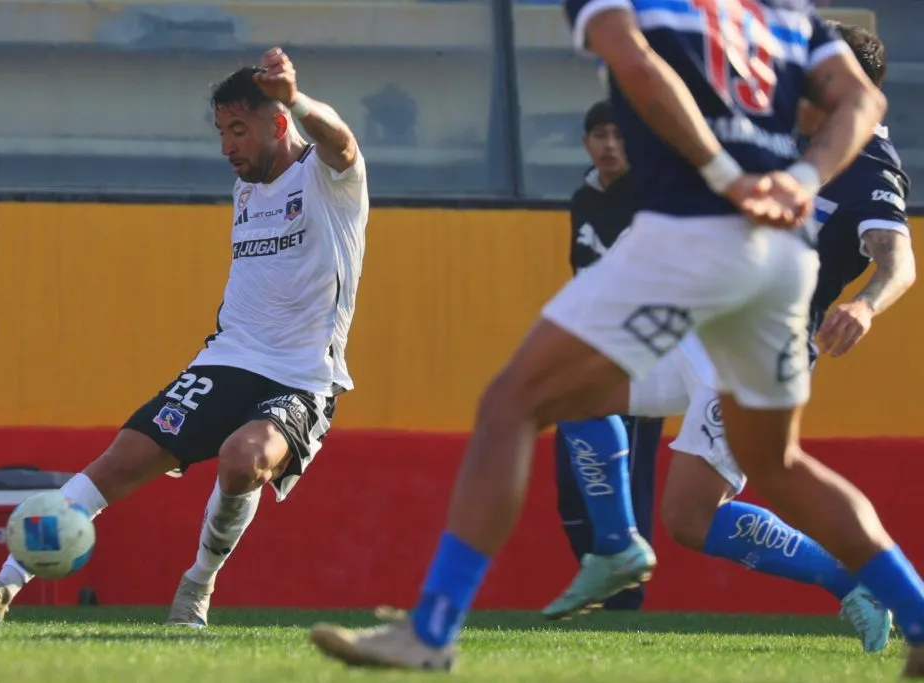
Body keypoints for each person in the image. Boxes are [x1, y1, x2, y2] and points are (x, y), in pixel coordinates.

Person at [309, 1, 924, 676]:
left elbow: (634, 63)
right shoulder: (782, 16)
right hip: (774, 266)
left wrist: (727, 176)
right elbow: (860, 98)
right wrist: (799, 180)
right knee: (768, 464)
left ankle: (432, 629)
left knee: (512, 403)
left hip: (695, 238)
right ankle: (908, 609)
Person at [0, 48, 369, 628]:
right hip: (227, 360)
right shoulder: (247, 189)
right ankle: (3, 587)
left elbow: (338, 137)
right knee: (120, 461)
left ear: (277, 123)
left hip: (301, 375)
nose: (226, 148)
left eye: (238, 130)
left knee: (244, 460)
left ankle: (197, 586)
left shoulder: (329, 177)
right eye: (221, 132)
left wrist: (295, 96)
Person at [540, 22, 915, 656]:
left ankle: (862, 579)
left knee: (690, 517)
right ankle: (616, 548)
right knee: (573, 390)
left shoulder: (867, 163)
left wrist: (866, 308)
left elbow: (897, 260)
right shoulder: (781, 134)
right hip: (694, 320)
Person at [550, 99, 664, 613]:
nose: (610, 145)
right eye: (600, 134)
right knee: (571, 485)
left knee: (628, 482)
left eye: (620, 135)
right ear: (585, 142)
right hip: (586, 355)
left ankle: (626, 601)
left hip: (642, 362)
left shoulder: (654, 199)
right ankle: (595, 579)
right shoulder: (584, 197)